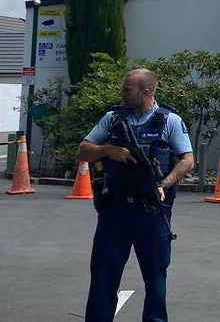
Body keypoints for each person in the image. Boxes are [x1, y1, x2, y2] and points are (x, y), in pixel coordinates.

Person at [77, 69, 194, 322]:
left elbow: (187, 160)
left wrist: (164, 183)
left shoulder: (169, 120)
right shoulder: (112, 118)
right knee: (102, 277)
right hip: (114, 212)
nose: (122, 94)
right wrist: (108, 150)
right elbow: (83, 151)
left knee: (155, 280)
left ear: (146, 92)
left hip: (151, 213)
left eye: (127, 90)